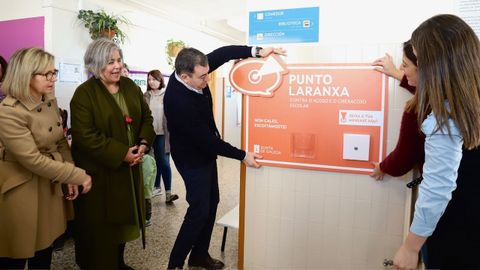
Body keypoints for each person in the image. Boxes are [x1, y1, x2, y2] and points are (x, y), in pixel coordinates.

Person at [164, 45, 285, 269]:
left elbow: (222, 53)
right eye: (202, 77)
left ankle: (199, 255)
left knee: (212, 203)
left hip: (205, 152)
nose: (207, 80)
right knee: (199, 210)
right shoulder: (177, 102)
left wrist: (257, 51)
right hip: (191, 158)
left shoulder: (195, 66)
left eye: (207, 73)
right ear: (184, 77)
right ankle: (175, 263)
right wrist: (242, 155)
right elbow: (207, 141)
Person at [393, 14, 480, 270]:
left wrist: (411, 247)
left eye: (416, 60)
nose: (409, 68)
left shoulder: (447, 117)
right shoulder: (471, 103)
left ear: (436, 64)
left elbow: (438, 188)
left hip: (457, 236)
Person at [0, 48, 92, 269]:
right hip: (22, 188)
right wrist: (77, 175)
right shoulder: (8, 111)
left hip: (49, 183)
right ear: (25, 75)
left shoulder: (49, 101)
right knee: (16, 252)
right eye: (46, 74)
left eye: (54, 72)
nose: (53, 78)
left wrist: (68, 174)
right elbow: (32, 159)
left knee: (45, 248)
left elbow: (60, 141)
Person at [70, 38, 155, 270]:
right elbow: (85, 135)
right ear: (95, 65)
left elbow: (147, 119)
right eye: (110, 62)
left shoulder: (130, 87)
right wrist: (121, 154)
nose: (117, 66)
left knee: (123, 222)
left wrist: (143, 144)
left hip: (129, 171)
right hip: (102, 174)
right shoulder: (84, 94)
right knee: (101, 227)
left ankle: (118, 262)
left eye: (119, 60)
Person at [370, 41, 425, 180]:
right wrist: (394, 73)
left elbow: (403, 159)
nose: (401, 68)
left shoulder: (417, 109)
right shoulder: (464, 98)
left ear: (424, 69)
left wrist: (382, 167)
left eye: (405, 65)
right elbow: (429, 91)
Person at [144, 69, 178, 203]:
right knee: (153, 162)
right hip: (149, 134)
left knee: (164, 162)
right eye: (149, 80)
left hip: (163, 134)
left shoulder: (167, 95)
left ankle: (168, 192)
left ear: (160, 80)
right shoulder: (145, 96)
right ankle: (156, 188)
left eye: (154, 79)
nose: (151, 82)